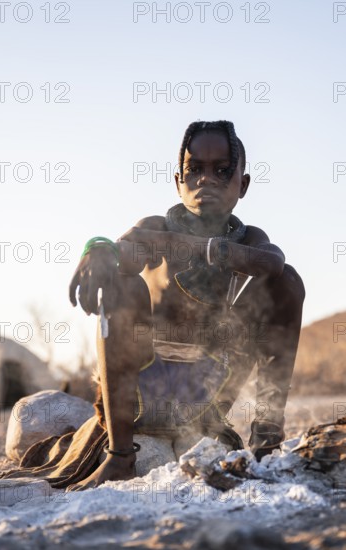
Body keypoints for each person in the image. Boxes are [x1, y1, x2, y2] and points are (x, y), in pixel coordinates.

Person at [68, 119, 305, 490]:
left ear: (242, 185)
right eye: (194, 169)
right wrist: (99, 248)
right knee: (120, 283)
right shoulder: (153, 227)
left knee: (288, 282)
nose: (206, 180)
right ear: (178, 180)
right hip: (143, 397)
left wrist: (199, 247)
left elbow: (271, 263)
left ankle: (266, 441)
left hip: (207, 400)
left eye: (222, 171)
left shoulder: (250, 239)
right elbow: (122, 254)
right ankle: (119, 455)